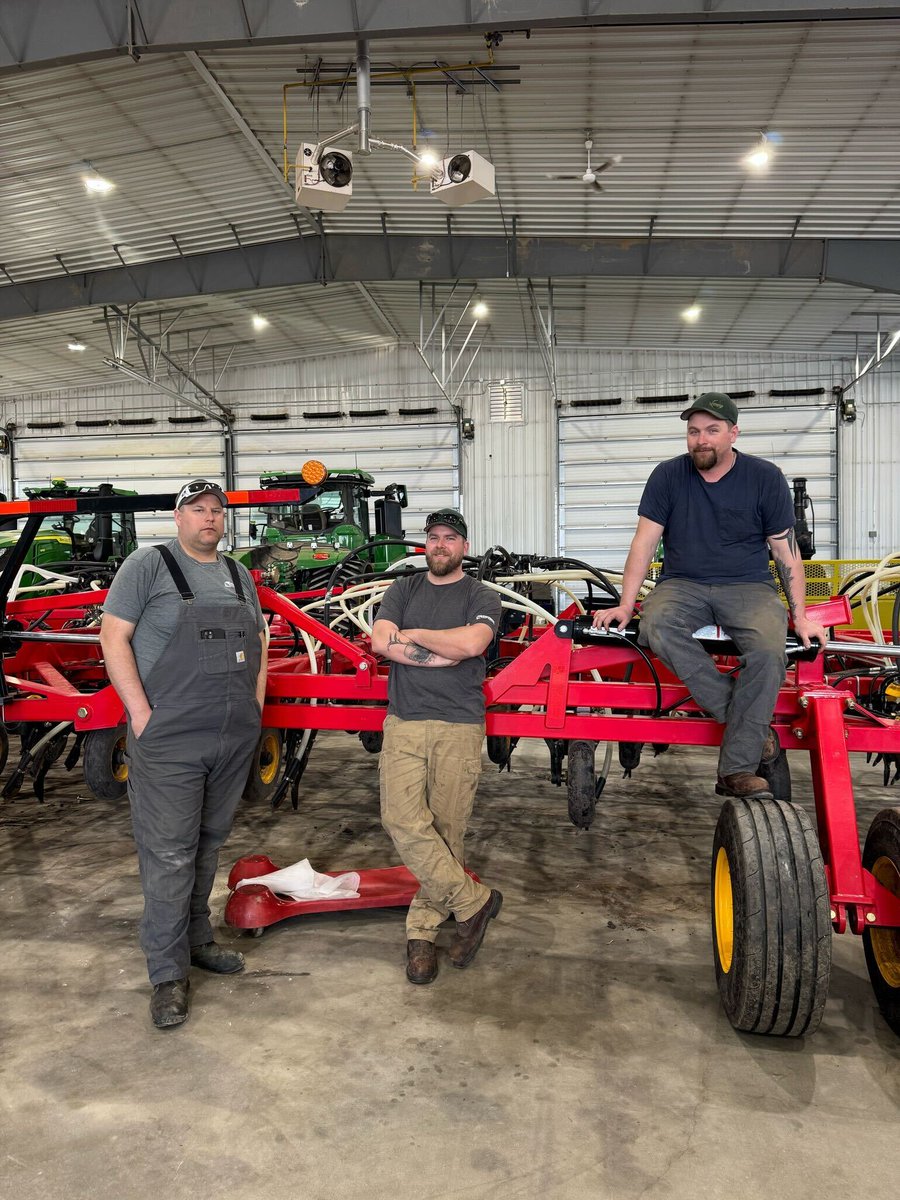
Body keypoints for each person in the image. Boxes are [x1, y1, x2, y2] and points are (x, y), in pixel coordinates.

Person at [594, 392, 827, 799]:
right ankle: (747, 728)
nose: (701, 439)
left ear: (733, 433)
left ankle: (736, 769)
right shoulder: (668, 476)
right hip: (682, 584)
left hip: (749, 587)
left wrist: (801, 615)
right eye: (694, 431)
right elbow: (643, 545)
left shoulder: (765, 477)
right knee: (657, 626)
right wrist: (626, 604)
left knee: (769, 653)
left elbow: (785, 552)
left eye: (712, 430)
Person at [100, 479, 267, 1029]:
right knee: (169, 852)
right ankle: (167, 974)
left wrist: (254, 709)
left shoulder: (240, 575)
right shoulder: (148, 567)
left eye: (216, 510)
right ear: (178, 517)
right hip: (170, 737)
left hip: (230, 735)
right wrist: (141, 715)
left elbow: (260, 646)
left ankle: (198, 941)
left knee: (207, 843)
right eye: (197, 510)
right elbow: (112, 638)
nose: (209, 518)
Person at [371, 508, 503, 985]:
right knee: (401, 819)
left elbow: (471, 646)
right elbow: (381, 640)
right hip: (404, 721)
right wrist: (438, 651)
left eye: (450, 538)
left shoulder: (481, 594)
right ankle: (474, 902)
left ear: (464, 546)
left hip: (458, 726)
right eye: (433, 538)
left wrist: (417, 638)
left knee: (447, 832)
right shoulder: (403, 588)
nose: (440, 545)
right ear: (423, 544)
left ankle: (422, 932)